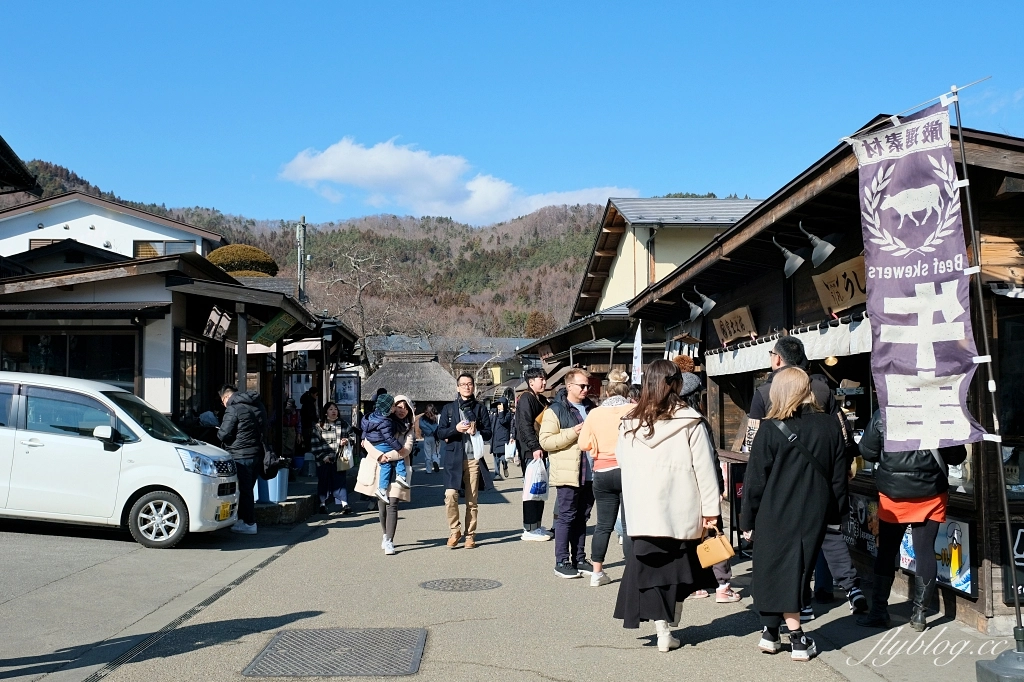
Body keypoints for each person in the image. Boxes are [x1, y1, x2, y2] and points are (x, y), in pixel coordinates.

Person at [744, 335, 866, 620]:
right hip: (822, 473)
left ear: (777, 359)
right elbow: (842, 430)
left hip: (782, 483)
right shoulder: (822, 388)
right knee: (825, 533)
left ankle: (799, 602)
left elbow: (753, 441)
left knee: (790, 545)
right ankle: (838, 587)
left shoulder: (765, 392)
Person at [740, 367, 848, 662]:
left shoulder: (770, 428)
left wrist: (746, 521)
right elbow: (839, 477)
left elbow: (755, 481)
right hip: (814, 510)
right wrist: (838, 514)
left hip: (774, 510)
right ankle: (771, 632)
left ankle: (796, 637)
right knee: (799, 569)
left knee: (775, 569)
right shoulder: (829, 426)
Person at [612, 360, 721, 653]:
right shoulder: (690, 421)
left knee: (651, 573)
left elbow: (622, 462)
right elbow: (705, 469)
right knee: (677, 572)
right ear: (675, 384)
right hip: (680, 511)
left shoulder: (628, 423)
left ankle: (663, 631)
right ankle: (666, 629)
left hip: (642, 513)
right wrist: (711, 510)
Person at [856, 411, 967, 631]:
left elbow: (867, 452)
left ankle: (878, 611)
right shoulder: (937, 412)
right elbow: (957, 456)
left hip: (893, 494)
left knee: (886, 551)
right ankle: (919, 615)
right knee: (925, 550)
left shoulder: (883, 414)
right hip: (931, 492)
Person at [669, 358, 742, 605]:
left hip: (679, 490)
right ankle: (722, 585)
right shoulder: (698, 421)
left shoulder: (670, 420)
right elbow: (709, 458)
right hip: (703, 486)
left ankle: (694, 585)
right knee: (713, 533)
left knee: (687, 536)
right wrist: (718, 488)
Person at [577, 369, 634, 587]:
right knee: (630, 525)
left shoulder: (595, 413)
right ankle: (631, 572)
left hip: (601, 471)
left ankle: (597, 572)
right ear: (626, 390)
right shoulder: (634, 410)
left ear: (608, 392)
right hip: (627, 470)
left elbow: (583, 444)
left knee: (603, 524)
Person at [540, 368, 598, 579]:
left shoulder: (592, 408)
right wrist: (573, 432)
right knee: (566, 517)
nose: (586, 389)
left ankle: (580, 558)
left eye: (588, 386)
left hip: (590, 471)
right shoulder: (555, 410)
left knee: (583, 516)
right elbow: (545, 441)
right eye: (582, 385)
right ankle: (561, 561)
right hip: (568, 472)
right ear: (569, 386)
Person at [437, 374, 492, 549]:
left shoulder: (480, 408)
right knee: (450, 495)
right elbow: (440, 433)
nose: (466, 387)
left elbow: (489, 433)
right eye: (463, 384)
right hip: (453, 458)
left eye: (469, 384)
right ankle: (455, 531)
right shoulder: (449, 409)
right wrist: (456, 429)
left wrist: (477, 431)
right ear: (457, 388)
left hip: (473, 459)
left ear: (474, 386)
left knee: (471, 500)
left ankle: (470, 535)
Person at [355, 396, 416, 556]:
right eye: (399, 406)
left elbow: (407, 448)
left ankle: (389, 540)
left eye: (405, 407)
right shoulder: (382, 421)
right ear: (392, 407)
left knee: (393, 504)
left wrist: (388, 456)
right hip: (380, 466)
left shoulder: (409, 427)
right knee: (382, 504)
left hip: (398, 469)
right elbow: (366, 442)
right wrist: (380, 456)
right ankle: (385, 534)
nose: (402, 410)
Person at [217, 384, 269, 535]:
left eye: (223, 402)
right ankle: (242, 520)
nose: (224, 405)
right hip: (257, 454)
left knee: (243, 491)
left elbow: (223, 434)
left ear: (226, 397)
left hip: (240, 455)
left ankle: (248, 523)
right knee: (248, 489)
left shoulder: (233, 408)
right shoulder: (258, 405)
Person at [515, 367, 551, 541]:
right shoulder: (526, 399)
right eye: (540, 379)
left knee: (540, 487)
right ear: (531, 382)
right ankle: (529, 528)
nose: (544, 382)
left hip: (542, 449)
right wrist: (534, 446)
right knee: (532, 487)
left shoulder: (542, 399)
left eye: (544, 379)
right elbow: (525, 426)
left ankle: (537, 524)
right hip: (531, 450)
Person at [361, 393, 412, 502]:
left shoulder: (372, 416)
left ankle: (382, 489)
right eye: (397, 407)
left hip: (375, 443)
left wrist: (363, 437)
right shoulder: (386, 421)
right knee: (400, 455)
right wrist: (399, 448)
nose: (401, 410)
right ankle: (401, 475)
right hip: (381, 445)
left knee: (386, 465)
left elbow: (365, 429)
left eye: (406, 408)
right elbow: (389, 438)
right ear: (389, 408)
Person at [311, 401, 354, 515]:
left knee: (340, 481)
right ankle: (322, 504)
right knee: (324, 481)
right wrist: (323, 456)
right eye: (330, 409)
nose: (334, 411)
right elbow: (315, 444)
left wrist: (347, 440)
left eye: (335, 409)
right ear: (325, 412)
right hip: (323, 460)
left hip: (339, 458)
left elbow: (352, 436)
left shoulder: (343, 424)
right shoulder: (319, 426)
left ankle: (345, 504)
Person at [490, 396, 512, 480]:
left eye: (500, 404)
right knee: (495, 457)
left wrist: (502, 411)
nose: (499, 406)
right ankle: (497, 474)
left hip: (503, 438)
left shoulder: (508, 414)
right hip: (495, 438)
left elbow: (503, 421)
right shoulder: (495, 414)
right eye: (498, 404)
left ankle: (505, 466)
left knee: (503, 457)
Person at [418, 404, 440, 473]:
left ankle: (428, 470)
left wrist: (428, 432)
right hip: (436, 437)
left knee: (427, 453)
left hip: (427, 436)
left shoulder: (422, 418)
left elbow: (421, 426)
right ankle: (436, 461)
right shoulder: (438, 417)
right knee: (436, 452)